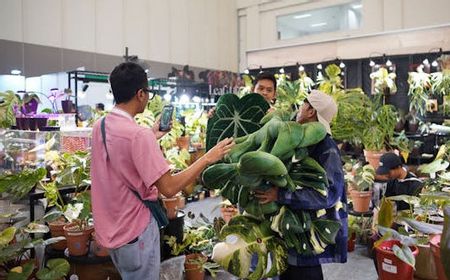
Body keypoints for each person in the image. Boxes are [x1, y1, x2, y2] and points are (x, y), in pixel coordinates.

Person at [90, 62, 234, 279]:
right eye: (147, 92)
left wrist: (152, 134)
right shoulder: (138, 135)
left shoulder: (100, 125)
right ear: (140, 93)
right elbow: (169, 188)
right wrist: (208, 157)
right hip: (134, 231)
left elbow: (120, 155)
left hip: (110, 229)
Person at [255, 90, 347, 280]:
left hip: (306, 232)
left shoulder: (325, 147)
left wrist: (280, 195)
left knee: (303, 272)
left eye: (303, 104)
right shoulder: (299, 139)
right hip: (291, 229)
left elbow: (328, 195)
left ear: (311, 111)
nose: (299, 108)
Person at [207, 71, 277, 117]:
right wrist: (215, 116)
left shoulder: (276, 117)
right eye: (261, 88)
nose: (264, 93)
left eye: (269, 90)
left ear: (274, 94)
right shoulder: (237, 112)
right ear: (252, 90)